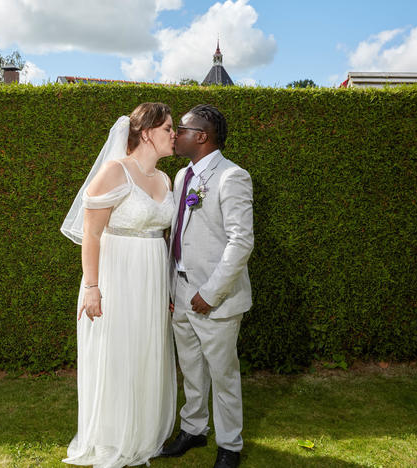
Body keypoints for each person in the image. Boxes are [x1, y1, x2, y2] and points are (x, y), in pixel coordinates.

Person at [60, 102, 177, 468]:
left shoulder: (164, 180)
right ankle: (113, 437)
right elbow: (91, 233)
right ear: (146, 133)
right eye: (168, 129)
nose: (175, 135)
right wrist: (92, 287)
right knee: (117, 353)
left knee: (145, 349)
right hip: (116, 274)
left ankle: (141, 432)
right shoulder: (115, 171)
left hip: (152, 276)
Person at [161, 104, 254, 468]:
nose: (175, 134)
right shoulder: (182, 177)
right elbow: (177, 233)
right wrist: (173, 289)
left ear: (201, 136)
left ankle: (230, 445)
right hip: (181, 291)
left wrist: (210, 293)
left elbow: (240, 242)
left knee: (223, 374)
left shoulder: (232, 176)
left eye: (181, 128)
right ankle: (193, 429)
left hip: (215, 298)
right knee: (191, 366)